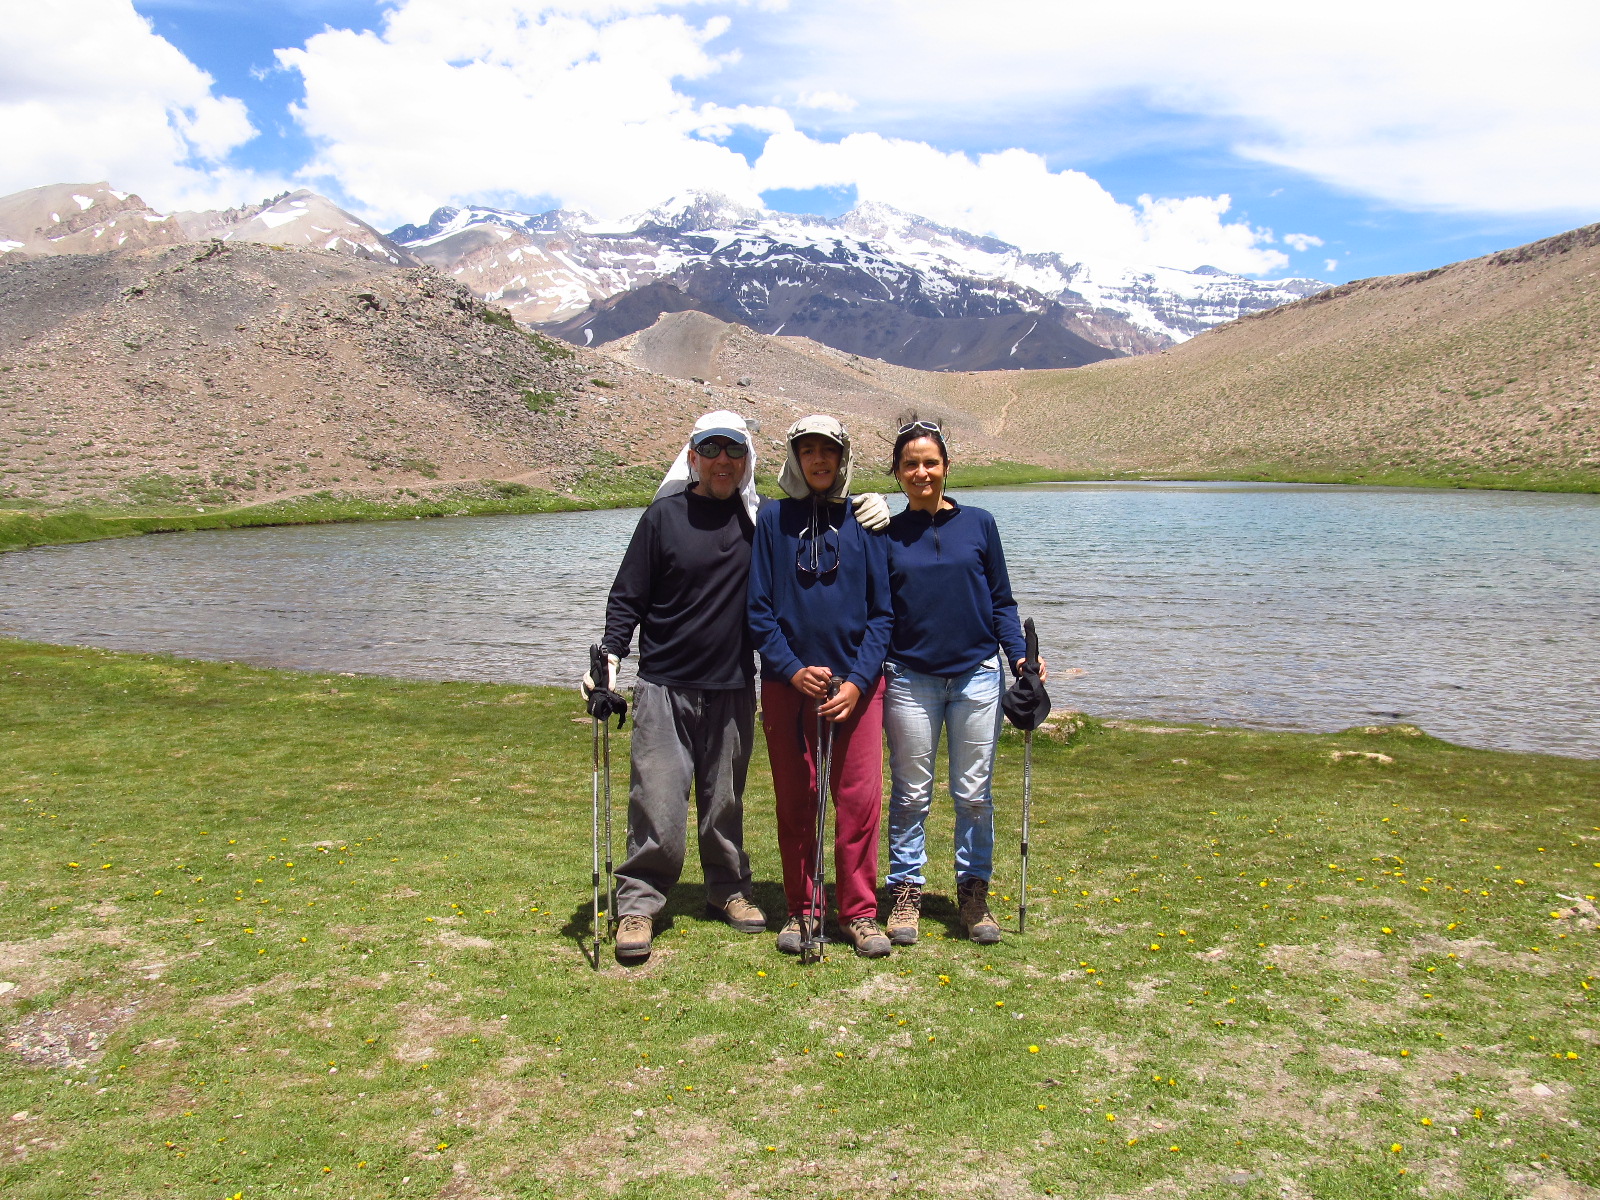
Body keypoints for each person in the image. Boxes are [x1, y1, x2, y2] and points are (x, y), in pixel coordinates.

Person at [586, 410, 767, 962]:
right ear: (691, 456)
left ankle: (728, 889)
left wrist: (865, 512)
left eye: (733, 451)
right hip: (665, 684)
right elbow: (628, 597)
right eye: (710, 450)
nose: (722, 461)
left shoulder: (759, 524)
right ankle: (638, 902)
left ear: (746, 460)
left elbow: (818, 533)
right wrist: (610, 656)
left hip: (734, 683)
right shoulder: (662, 518)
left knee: (725, 801)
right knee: (657, 798)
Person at [880, 419, 1045, 946]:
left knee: (973, 793)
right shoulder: (885, 532)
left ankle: (973, 892)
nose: (921, 472)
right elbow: (875, 610)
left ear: (947, 467)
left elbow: (1001, 602)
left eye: (931, 462)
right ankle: (905, 890)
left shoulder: (980, 523)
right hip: (909, 677)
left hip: (977, 675)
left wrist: (1021, 661)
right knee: (910, 793)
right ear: (898, 473)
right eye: (911, 464)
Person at [747, 416, 894, 958]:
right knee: (797, 799)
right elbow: (759, 611)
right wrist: (790, 669)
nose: (818, 461)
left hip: (857, 687)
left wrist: (857, 681)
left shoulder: (866, 522)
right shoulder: (772, 520)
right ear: (794, 458)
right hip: (789, 686)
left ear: (842, 458)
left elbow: (884, 615)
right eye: (807, 451)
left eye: (827, 452)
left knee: (858, 801)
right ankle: (803, 909)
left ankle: (858, 913)